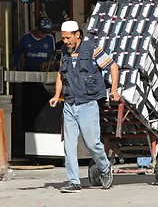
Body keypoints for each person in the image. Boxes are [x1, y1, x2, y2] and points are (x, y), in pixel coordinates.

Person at [49, 20, 121, 193]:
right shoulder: (64, 53)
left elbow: (113, 66)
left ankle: (105, 168)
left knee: (92, 144)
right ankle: (73, 182)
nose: (65, 41)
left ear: (77, 35)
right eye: (63, 38)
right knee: (69, 146)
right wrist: (56, 95)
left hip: (88, 105)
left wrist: (114, 90)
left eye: (68, 38)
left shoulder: (92, 49)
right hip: (69, 105)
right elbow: (61, 74)